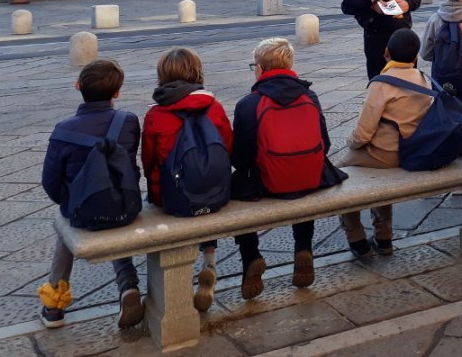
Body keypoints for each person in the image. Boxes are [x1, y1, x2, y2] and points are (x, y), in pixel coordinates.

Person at [231, 37, 346, 295]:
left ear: (260, 68)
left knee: (237, 183)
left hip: (266, 184)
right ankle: (303, 247)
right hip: (307, 178)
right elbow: (324, 144)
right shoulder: (310, 95)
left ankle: (251, 256)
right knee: (302, 175)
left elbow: (240, 158)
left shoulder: (248, 104)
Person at [38, 59, 143, 330]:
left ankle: (54, 305)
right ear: (117, 92)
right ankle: (127, 283)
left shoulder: (63, 129)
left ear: (78, 86)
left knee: (65, 224)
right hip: (126, 206)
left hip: (84, 211)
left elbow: (50, 184)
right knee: (112, 206)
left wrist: (71, 200)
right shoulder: (129, 122)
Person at [140, 47, 233, 312]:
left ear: (162, 76)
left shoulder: (156, 115)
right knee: (203, 187)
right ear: (197, 73)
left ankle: (175, 292)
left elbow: (149, 163)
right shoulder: (214, 106)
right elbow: (228, 147)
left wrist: (156, 191)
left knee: (179, 192)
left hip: (173, 199)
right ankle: (210, 260)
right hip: (216, 194)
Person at [340, 28, 435, 257]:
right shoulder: (424, 79)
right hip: (413, 152)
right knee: (377, 178)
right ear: (415, 57)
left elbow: (363, 134)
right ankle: (384, 238)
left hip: (384, 154)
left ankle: (357, 239)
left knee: (340, 177)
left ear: (386, 53)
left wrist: (350, 143)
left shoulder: (381, 84)